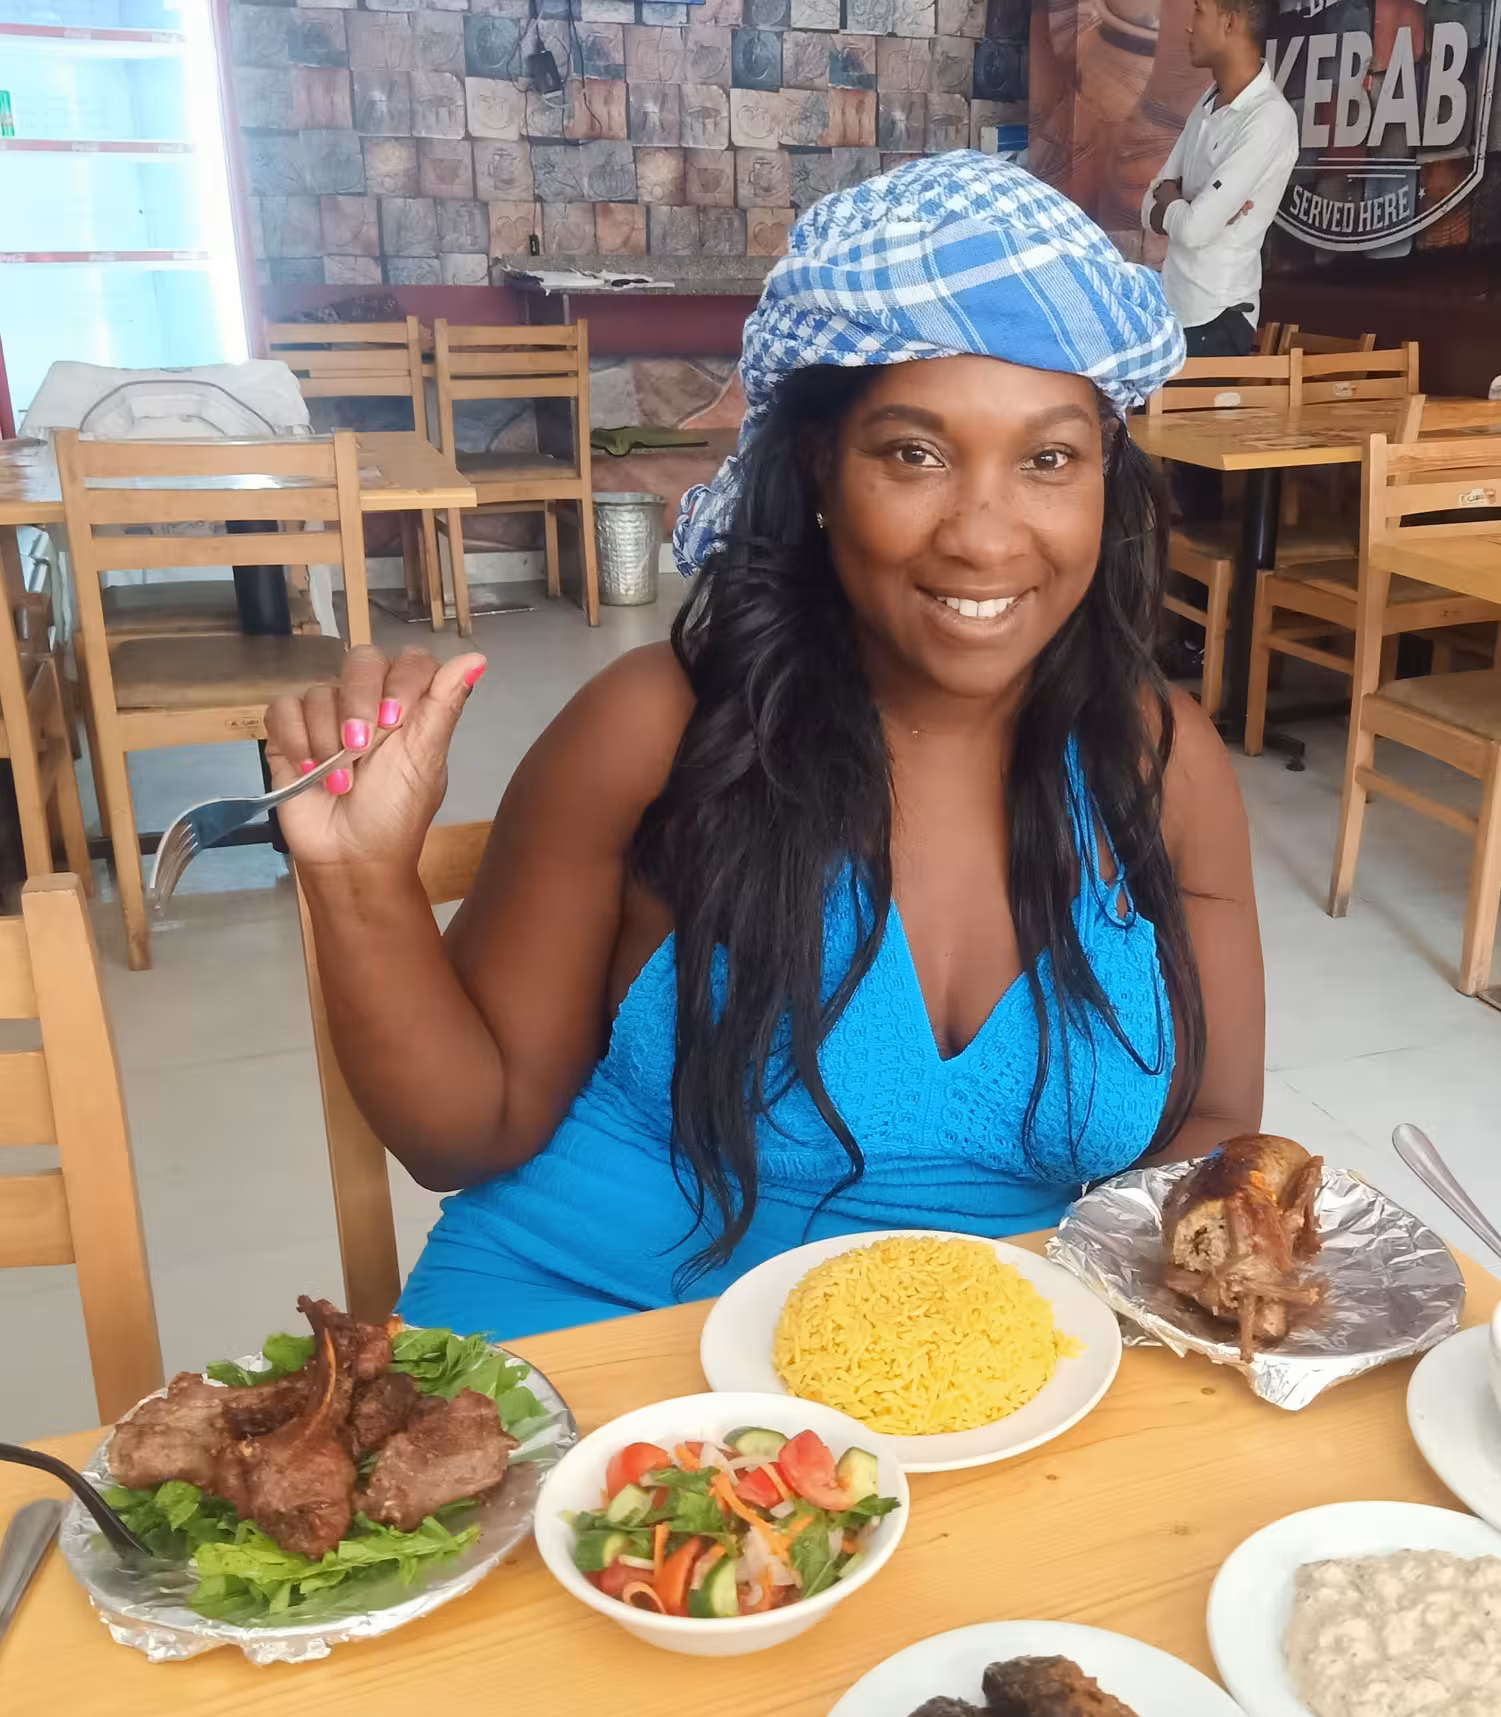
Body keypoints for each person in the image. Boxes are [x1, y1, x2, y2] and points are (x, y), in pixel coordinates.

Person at [270, 151, 1265, 1340]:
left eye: (1048, 458)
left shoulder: (1164, 764)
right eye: (915, 453)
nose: (986, 536)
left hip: (970, 1367)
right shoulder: (657, 727)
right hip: (598, 1325)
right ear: (818, 465)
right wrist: (358, 882)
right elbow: (461, 1136)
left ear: (1107, 477)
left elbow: (1209, 1130)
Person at [1142, 0, 1298, 364]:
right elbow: (1148, 206)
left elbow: (1194, 230)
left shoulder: (1269, 118)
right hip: (1174, 312)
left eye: (1199, 11)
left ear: (1229, 22)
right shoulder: (1209, 101)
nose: (1189, 26)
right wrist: (1183, 204)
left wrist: (1174, 199)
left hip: (1217, 316)